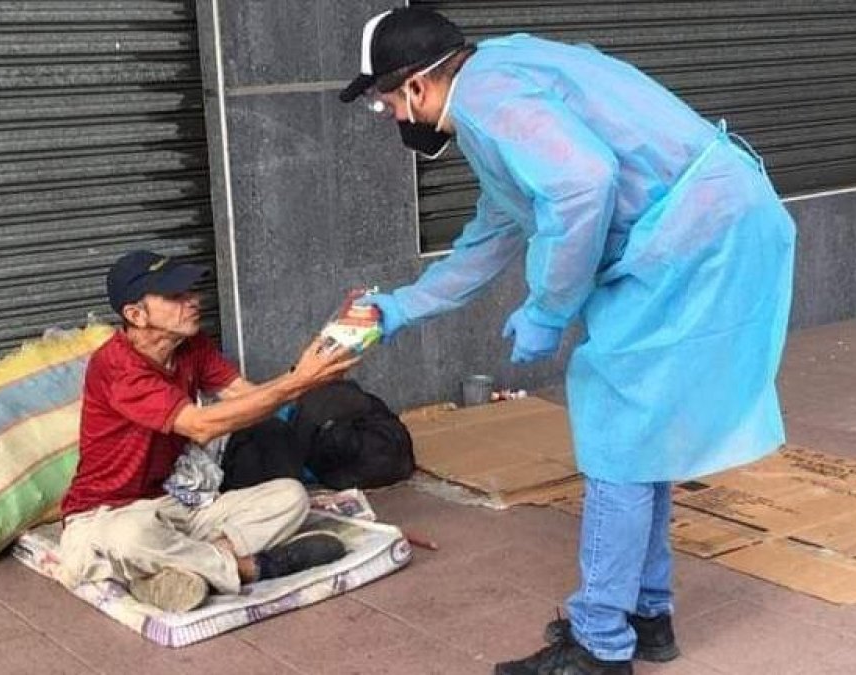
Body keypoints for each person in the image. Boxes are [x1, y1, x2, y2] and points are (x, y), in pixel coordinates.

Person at [339, 8, 796, 675]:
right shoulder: (502, 79)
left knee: (618, 440)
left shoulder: (490, 99)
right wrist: (400, 307)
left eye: (385, 104)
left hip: (693, 239)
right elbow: (497, 230)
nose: (393, 117)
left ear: (415, 87)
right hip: (704, 227)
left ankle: (599, 644)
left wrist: (550, 306)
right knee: (642, 439)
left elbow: (583, 184)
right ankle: (645, 614)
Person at [57, 250, 360, 612]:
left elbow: (249, 397)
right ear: (136, 315)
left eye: (190, 291)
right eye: (175, 296)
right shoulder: (117, 367)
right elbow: (201, 425)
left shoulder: (192, 345)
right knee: (130, 536)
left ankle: (182, 571)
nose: (193, 301)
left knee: (291, 497)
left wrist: (313, 367)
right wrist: (297, 381)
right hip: (104, 513)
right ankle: (249, 568)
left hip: (172, 504)